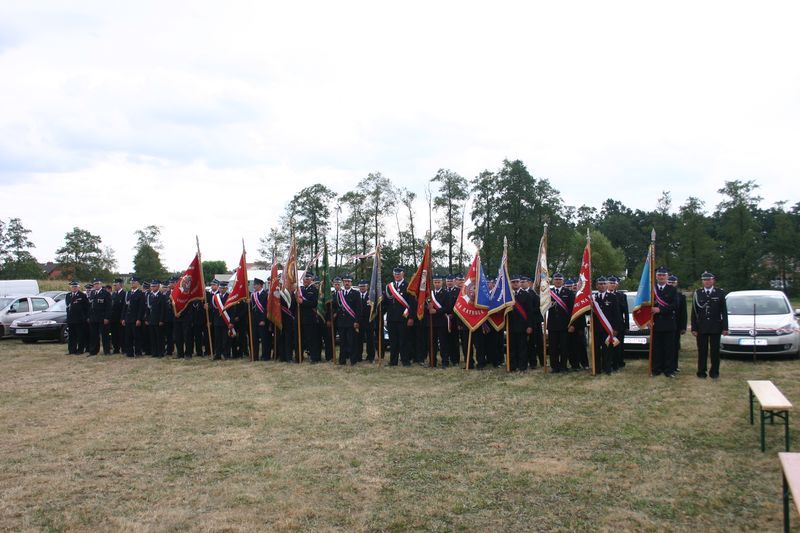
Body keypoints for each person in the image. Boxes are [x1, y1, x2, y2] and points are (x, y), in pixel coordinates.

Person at [691, 271, 728, 379]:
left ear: (713, 280)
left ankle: (714, 372)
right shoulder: (698, 293)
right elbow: (694, 312)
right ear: (702, 281)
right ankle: (701, 372)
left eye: (709, 279)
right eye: (705, 280)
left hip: (715, 326)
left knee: (715, 351)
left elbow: (724, 312)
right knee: (702, 351)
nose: (707, 282)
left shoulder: (720, 293)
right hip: (701, 327)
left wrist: (725, 327)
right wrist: (694, 327)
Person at [385, 266, 415, 366]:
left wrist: (411, 317)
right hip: (391, 318)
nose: (397, 276)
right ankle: (393, 361)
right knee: (393, 341)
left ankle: (405, 360)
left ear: (403, 274)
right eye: (395, 274)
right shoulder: (389, 287)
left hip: (403, 318)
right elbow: (386, 303)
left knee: (404, 341)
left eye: (399, 274)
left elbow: (412, 303)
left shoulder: (408, 286)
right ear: (393, 275)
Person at [592, 277, 623, 374]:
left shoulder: (612, 297)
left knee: (607, 350)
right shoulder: (592, 298)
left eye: (604, 284)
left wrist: (616, 328)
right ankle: (597, 369)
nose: (602, 286)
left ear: (607, 285)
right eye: (600, 284)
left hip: (608, 329)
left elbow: (617, 314)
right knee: (596, 350)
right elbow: (587, 313)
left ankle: (607, 368)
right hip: (596, 329)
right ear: (596, 286)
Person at [651, 267, 678, 378]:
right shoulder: (652, 289)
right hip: (655, 323)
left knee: (668, 348)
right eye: (659, 275)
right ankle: (656, 369)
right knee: (657, 348)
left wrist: (660, 310)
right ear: (656, 276)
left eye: (663, 275)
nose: (661, 277)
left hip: (668, 323)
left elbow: (674, 306)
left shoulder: (672, 289)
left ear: (667, 276)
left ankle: (668, 370)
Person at [547, 273, 575, 372]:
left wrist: (572, 324)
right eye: (556, 279)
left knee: (564, 347)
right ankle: (554, 367)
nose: (558, 281)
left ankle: (563, 366)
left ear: (563, 281)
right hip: (552, 325)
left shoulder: (569, 292)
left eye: (560, 279)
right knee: (553, 348)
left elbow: (572, 310)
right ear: (553, 281)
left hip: (565, 325)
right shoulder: (548, 293)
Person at [508, 275, 534, 371]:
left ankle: (522, 366)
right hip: (510, 326)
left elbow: (530, 312)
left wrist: (529, 326)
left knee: (522, 347)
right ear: (510, 283)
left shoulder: (526, 295)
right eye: (513, 282)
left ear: (519, 283)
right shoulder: (507, 295)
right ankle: (512, 366)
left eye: (517, 282)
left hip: (523, 326)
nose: (515, 284)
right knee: (512, 347)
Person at [334, 275, 362, 365]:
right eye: (345, 281)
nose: (346, 283)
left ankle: (353, 360)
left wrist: (357, 321)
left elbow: (359, 309)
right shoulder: (339, 294)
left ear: (351, 283)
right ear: (343, 282)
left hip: (351, 322)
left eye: (348, 281)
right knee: (342, 343)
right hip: (341, 322)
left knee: (352, 342)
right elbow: (336, 307)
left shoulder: (356, 293)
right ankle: (342, 360)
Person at [299, 272, 321, 362]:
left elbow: (314, 303)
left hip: (311, 318)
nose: (305, 281)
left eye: (307, 279)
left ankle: (314, 357)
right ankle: (306, 355)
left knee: (312, 338)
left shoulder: (314, 290)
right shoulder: (301, 290)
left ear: (311, 280)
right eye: (304, 279)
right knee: (305, 339)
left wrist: (302, 302)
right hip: (302, 317)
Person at [607, 276, 628, 370]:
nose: (612, 285)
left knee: (618, 345)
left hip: (619, 324)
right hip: (607, 324)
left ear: (617, 285)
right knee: (607, 344)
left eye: (614, 283)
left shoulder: (621, 296)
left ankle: (618, 362)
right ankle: (609, 362)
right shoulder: (604, 295)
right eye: (610, 283)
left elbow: (626, 311)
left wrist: (626, 325)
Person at [668, 274, 688, 373]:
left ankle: (674, 366)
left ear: (677, 283)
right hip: (666, 324)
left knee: (675, 347)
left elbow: (683, 313)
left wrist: (683, 327)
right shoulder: (662, 294)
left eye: (673, 282)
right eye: (669, 282)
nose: (671, 284)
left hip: (676, 325)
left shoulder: (681, 296)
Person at [87, 278, 112, 356]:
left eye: (97, 284)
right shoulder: (92, 293)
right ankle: (93, 351)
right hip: (93, 318)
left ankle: (107, 351)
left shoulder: (106, 293)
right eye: (94, 284)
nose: (96, 285)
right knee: (94, 335)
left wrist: (107, 317)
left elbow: (109, 307)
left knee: (105, 335)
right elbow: (90, 306)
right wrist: (89, 316)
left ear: (101, 284)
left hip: (102, 318)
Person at [123, 276, 145, 357]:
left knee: (137, 336)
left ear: (138, 284)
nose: (132, 284)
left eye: (134, 282)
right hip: (128, 318)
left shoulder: (140, 294)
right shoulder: (128, 293)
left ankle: (138, 352)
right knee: (128, 336)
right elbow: (125, 307)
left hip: (135, 318)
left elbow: (141, 308)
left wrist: (139, 319)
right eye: (131, 282)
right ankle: (129, 352)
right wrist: (123, 318)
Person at [65, 280, 89, 355]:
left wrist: (85, 317)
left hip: (79, 319)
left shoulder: (82, 295)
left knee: (80, 335)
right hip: (71, 318)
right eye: (72, 287)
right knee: (71, 336)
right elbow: (68, 306)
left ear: (78, 287)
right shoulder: (68, 295)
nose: (74, 288)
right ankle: (71, 350)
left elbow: (87, 307)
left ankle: (80, 350)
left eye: (75, 287)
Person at [251, 278, 270, 361]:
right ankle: (255, 356)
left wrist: (263, 320)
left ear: (260, 285)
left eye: (256, 284)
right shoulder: (253, 295)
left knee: (264, 339)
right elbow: (252, 308)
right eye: (254, 284)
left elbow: (265, 309)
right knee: (254, 339)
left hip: (262, 320)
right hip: (254, 319)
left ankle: (265, 356)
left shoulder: (265, 294)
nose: (254, 286)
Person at [110, 278, 126, 353]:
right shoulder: (113, 294)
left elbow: (124, 307)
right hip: (113, 318)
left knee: (122, 334)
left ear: (120, 285)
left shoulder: (124, 294)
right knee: (114, 334)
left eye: (115, 285)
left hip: (120, 318)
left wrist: (123, 318)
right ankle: (116, 348)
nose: (114, 286)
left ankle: (123, 348)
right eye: (113, 285)